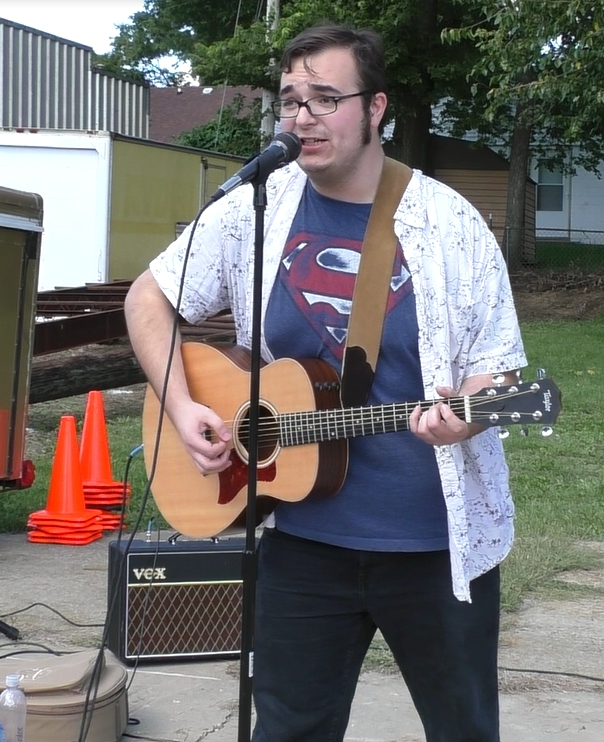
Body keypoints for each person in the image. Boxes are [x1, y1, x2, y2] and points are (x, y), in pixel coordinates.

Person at [124, 23, 527, 742]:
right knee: (287, 730)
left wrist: (467, 414)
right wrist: (181, 408)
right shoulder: (258, 208)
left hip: (432, 546)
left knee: (463, 730)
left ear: (376, 109)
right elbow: (148, 298)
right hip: (302, 539)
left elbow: (498, 363)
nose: (303, 117)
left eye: (325, 99)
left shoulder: (448, 223)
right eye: (290, 100)